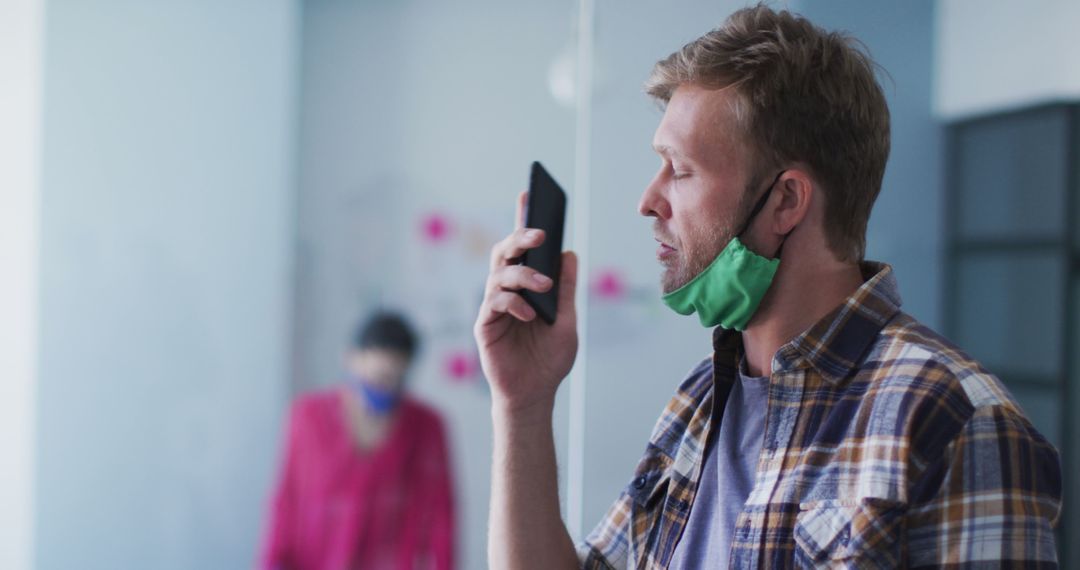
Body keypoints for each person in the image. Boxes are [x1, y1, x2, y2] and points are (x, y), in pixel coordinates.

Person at [475, 5, 1062, 569]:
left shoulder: (958, 421)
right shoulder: (699, 402)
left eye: (679, 170)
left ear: (785, 202)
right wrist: (523, 405)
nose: (648, 201)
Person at [260, 311, 455, 570]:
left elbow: (442, 517)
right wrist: (273, 561)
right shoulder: (307, 418)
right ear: (350, 359)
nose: (383, 389)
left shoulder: (427, 428)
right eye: (377, 377)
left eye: (394, 380)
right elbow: (286, 499)